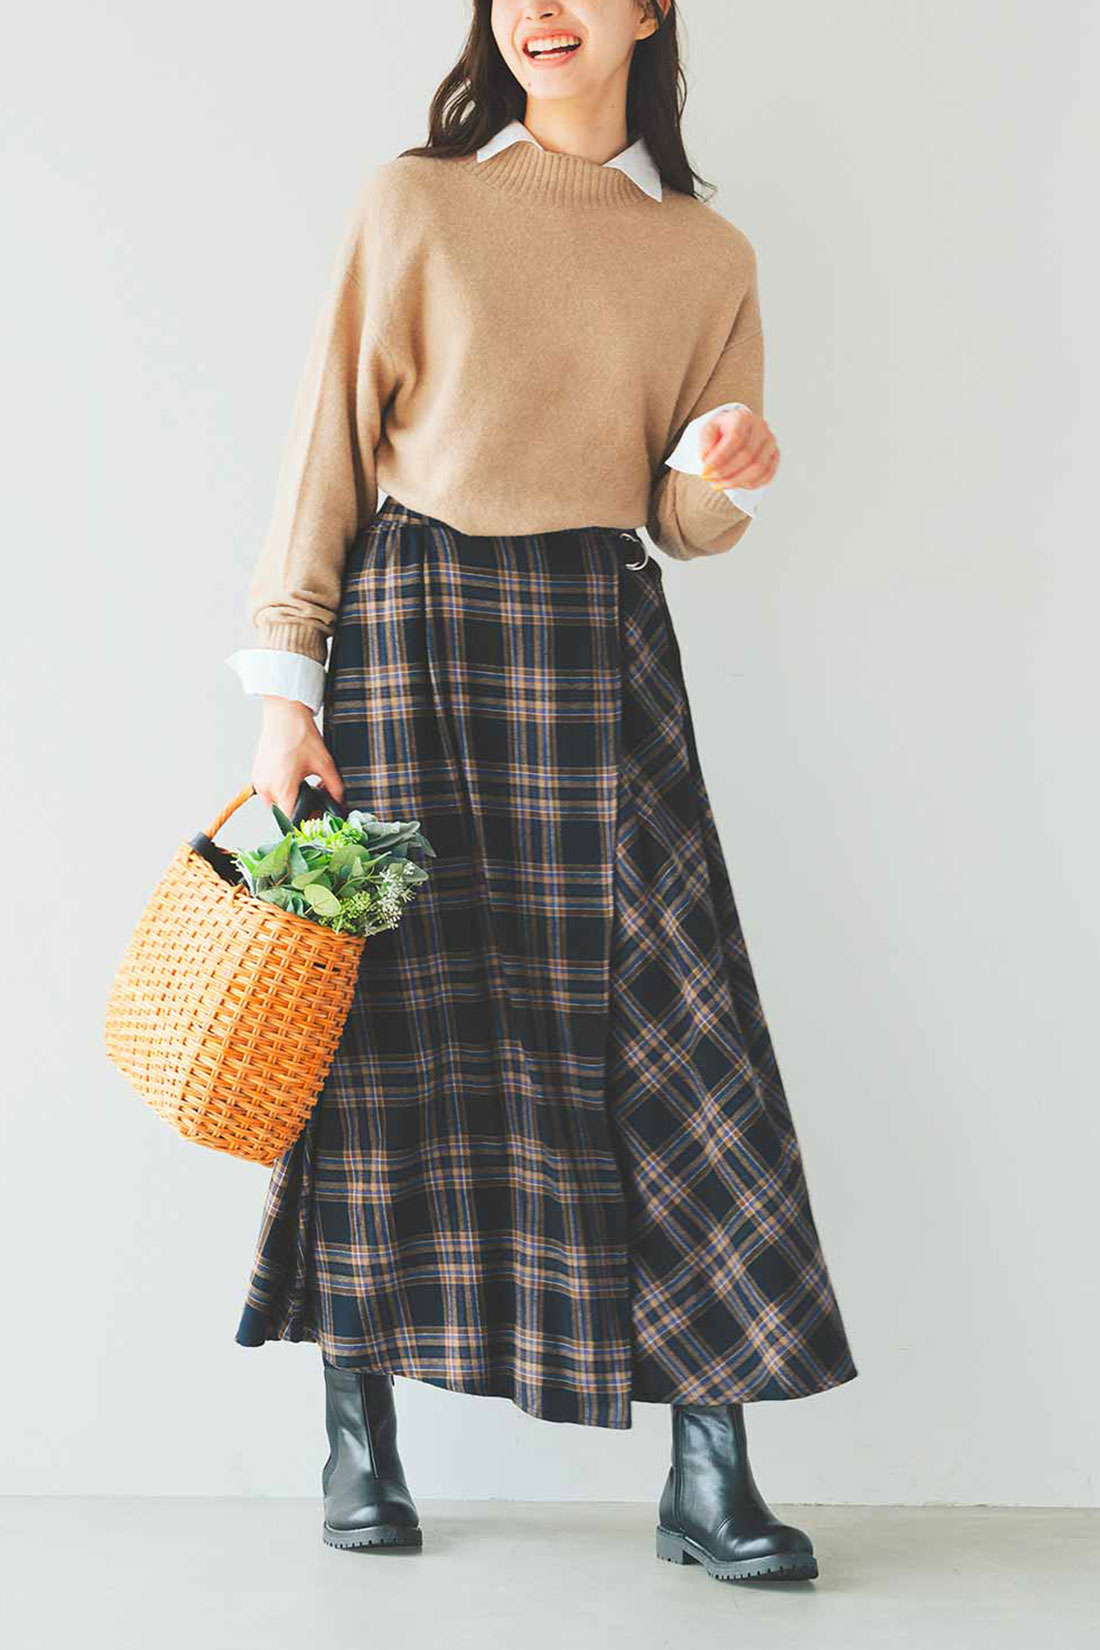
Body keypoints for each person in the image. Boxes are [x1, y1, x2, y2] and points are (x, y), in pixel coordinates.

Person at [227, 0, 858, 1585]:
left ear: (650, 9)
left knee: (684, 1037)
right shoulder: (418, 202)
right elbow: (327, 445)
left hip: (597, 633)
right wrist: (285, 691)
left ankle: (709, 1475)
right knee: (391, 1033)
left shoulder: (705, 255)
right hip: (412, 630)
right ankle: (356, 1437)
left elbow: (681, 519)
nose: (540, 11)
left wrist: (727, 464)